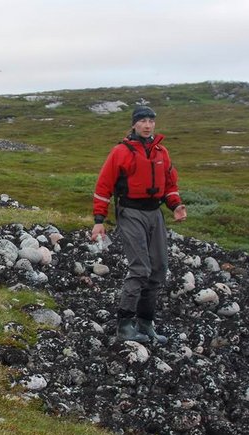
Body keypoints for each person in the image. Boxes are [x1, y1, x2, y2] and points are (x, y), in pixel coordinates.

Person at [91, 106, 187, 344]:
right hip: (131, 212)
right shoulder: (120, 152)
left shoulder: (162, 152)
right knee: (140, 269)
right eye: (142, 121)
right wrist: (99, 221)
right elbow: (104, 186)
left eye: (151, 121)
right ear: (134, 124)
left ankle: (145, 323)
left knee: (159, 269)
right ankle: (124, 325)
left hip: (155, 214)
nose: (147, 125)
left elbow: (169, 185)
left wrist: (175, 205)